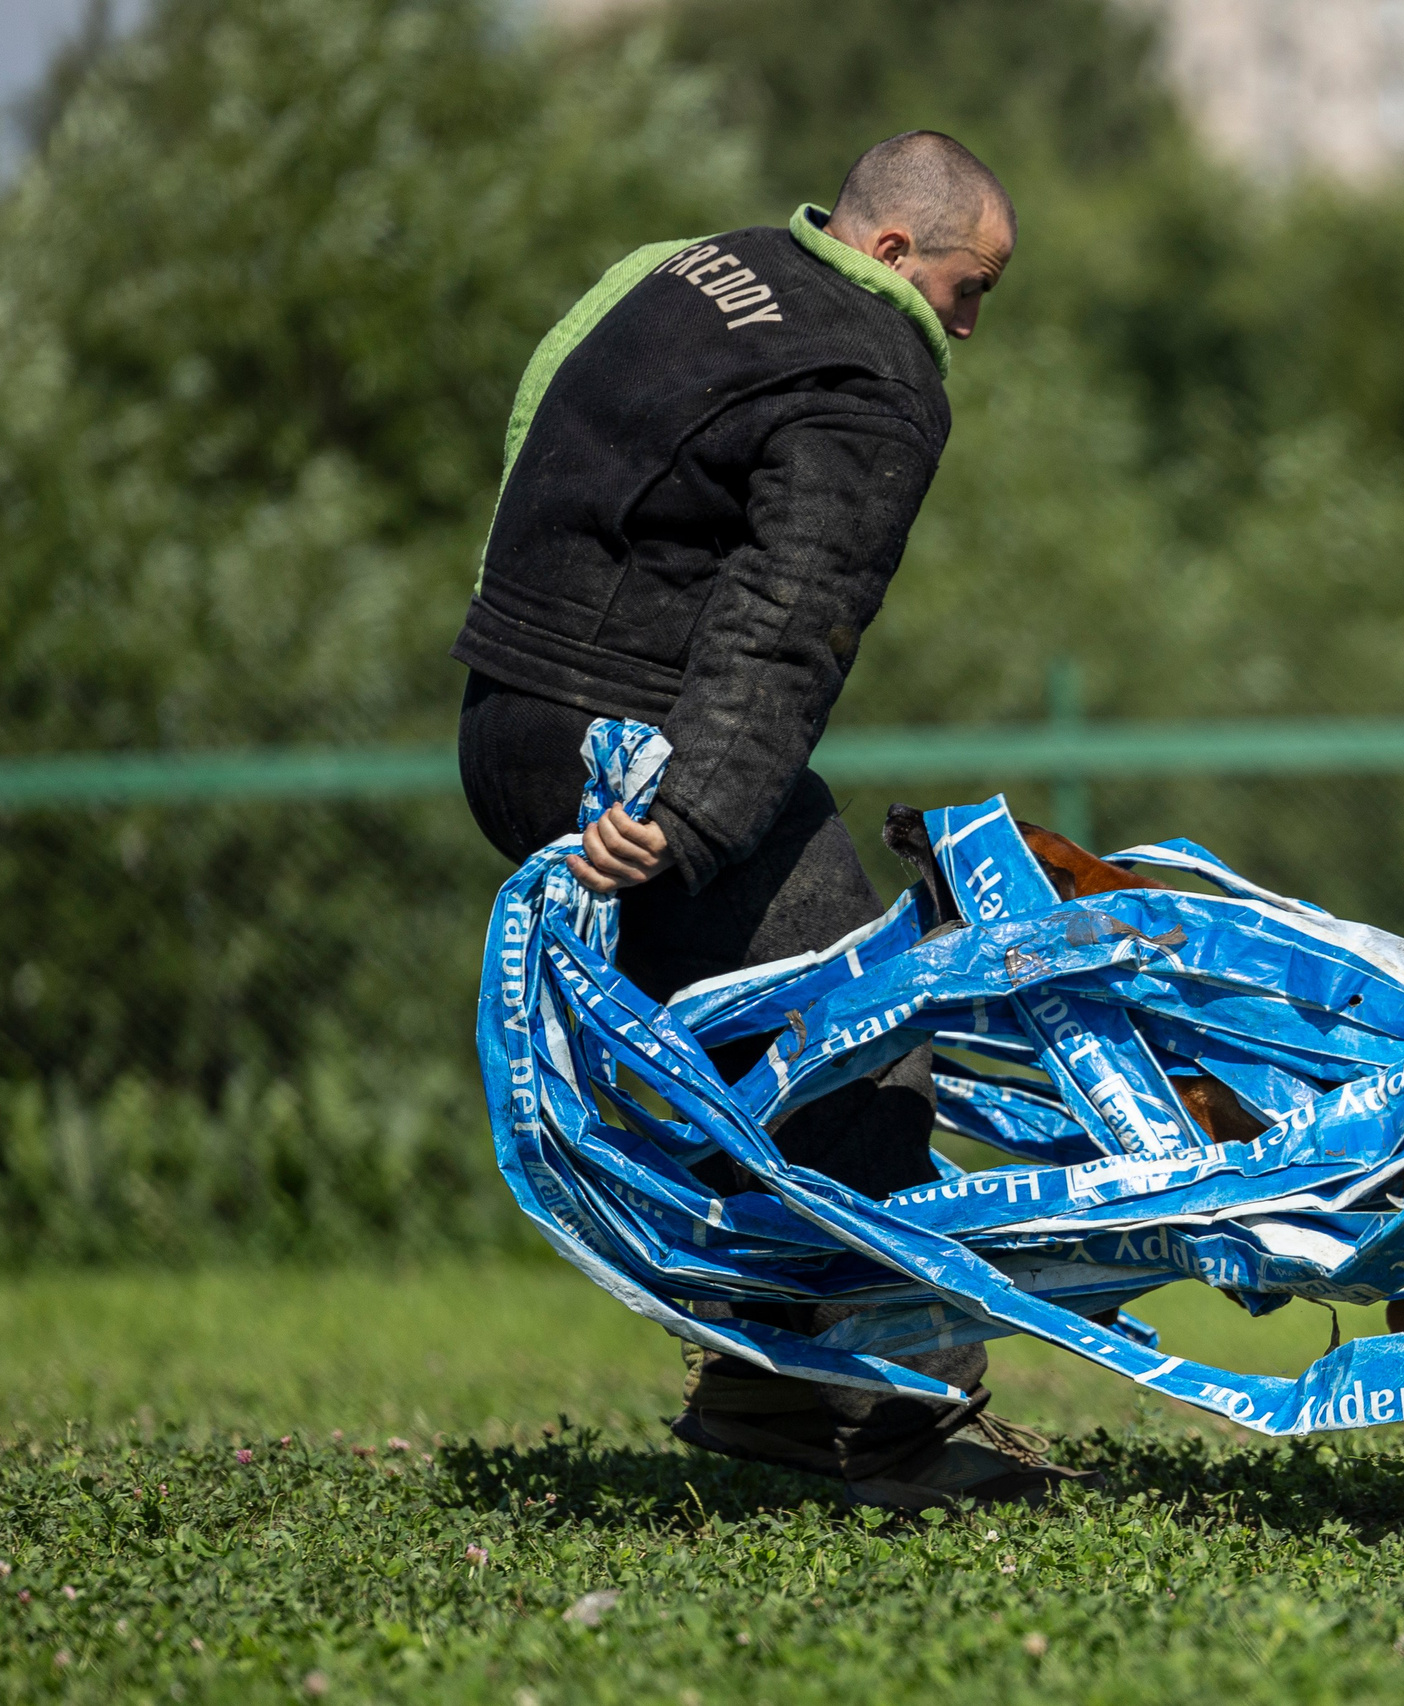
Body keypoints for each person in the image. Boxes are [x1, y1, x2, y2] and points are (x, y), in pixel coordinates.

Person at [451, 131, 1080, 1509]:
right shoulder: (874, 372)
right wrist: (683, 810)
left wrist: (523, 657)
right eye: (974, 289)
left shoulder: (699, 265)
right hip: (636, 757)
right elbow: (790, 626)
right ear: (896, 252)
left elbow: (538, 403)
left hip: (509, 714)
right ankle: (869, 1428)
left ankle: (769, 1381)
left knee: (765, 1051)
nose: (972, 325)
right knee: (858, 1035)